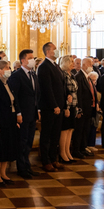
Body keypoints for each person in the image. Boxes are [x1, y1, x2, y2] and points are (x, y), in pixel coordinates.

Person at [8, 49, 40, 180]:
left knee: (29, 142)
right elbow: (14, 96)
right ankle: (21, 168)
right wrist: (18, 113)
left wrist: (38, 111)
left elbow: (36, 95)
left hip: (32, 113)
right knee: (22, 141)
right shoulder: (17, 75)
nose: (33, 59)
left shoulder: (33, 74)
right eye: (30, 57)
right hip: (23, 114)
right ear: (23, 61)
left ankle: (27, 166)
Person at [37, 42, 65, 172]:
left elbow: (60, 86)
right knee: (47, 135)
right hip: (50, 107)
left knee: (55, 135)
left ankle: (54, 159)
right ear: (48, 52)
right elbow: (47, 89)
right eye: (55, 49)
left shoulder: (56, 65)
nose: (57, 50)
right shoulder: (44, 67)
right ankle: (46, 161)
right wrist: (54, 105)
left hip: (59, 105)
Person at [0, 60, 19, 187]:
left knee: (9, 147)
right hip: (2, 120)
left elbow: (13, 102)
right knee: (1, 148)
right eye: (7, 68)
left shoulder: (8, 83)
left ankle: (3, 173)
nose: (9, 70)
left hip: (11, 119)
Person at [72, 58, 95, 158]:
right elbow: (79, 95)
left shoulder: (87, 77)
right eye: (90, 64)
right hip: (82, 109)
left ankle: (83, 147)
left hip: (88, 108)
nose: (92, 66)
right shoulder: (79, 77)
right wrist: (79, 109)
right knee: (79, 130)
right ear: (84, 65)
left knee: (86, 130)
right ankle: (76, 150)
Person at [58, 55, 78, 164]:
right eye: (71, 62)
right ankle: (62, 153)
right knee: (64, 130)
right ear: (65, 63)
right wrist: (66, 107)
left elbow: (74, 92)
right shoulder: (63, 75)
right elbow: (64, 92)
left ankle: (68, 151)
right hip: (67, 106)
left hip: (74, 105)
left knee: (70, 129)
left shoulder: (72, 75)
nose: (73, 63)